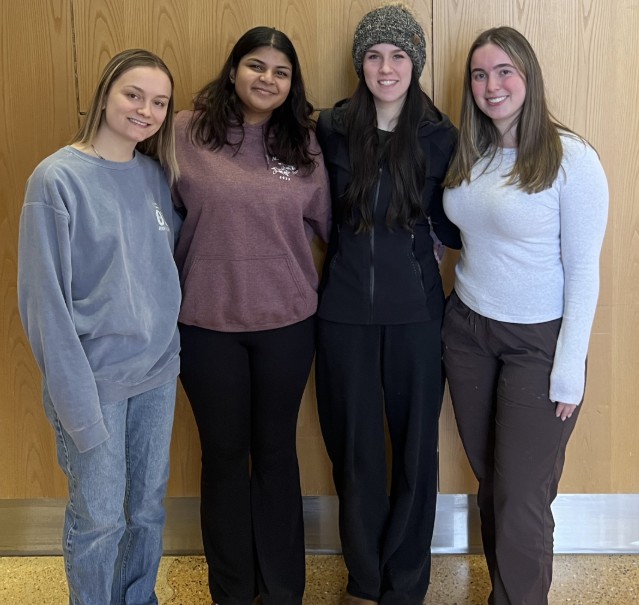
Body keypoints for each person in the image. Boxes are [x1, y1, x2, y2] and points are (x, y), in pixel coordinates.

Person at [442, 26, 608, 605]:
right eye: (480, 74)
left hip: (538, 343)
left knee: (521, 496)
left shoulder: (572, 159)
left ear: (529, 77)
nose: (492, 85)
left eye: (505, 71)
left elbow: (585, 273)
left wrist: (568, 371)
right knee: (497, 488)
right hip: (466, 331)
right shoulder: (474, 152)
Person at [171, 26, 331, 605]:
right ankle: (232, 591)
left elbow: (335, 229)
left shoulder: (306, 145)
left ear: (293, 84)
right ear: (233, 69)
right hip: (206, 326)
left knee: (276, 454)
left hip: (287, 326)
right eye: (256, 66)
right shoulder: (185, 131)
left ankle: (284, 590)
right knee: (223, 458)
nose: (268, 79)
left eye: (281, 72)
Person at [18, 49, 182, 604]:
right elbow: (45, 309)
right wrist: (78, 408)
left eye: (159, 102)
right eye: (133, 95)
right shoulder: (57, 179)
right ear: (105, 94)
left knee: (145, 509)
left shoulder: (157, 176)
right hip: (94, 384)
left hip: (156, 376)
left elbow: (160, 275)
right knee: (99, 518)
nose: (145, 110)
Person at [314, 5, 461, 604]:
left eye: (399, 55)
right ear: (360, 63)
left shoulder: (441, 134)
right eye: (374, 55)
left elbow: (457, 223)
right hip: (343, 314)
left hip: (418, 315)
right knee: (354, 455)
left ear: (415, 64)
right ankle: (364, 581)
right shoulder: (329, 126)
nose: (386, 66)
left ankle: (405, 585)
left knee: (415, 456)